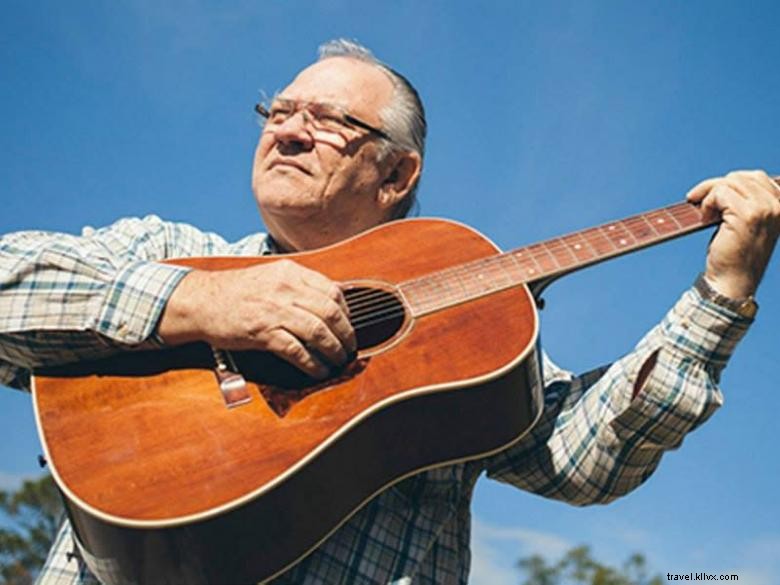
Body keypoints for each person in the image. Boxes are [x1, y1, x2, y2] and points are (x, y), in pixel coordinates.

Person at [1, 39, 778, 585]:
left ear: (397, 173)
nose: (288, 129)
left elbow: (584, 460)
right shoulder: (171, 248)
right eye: (278, 109)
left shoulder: (473, 335)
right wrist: (202, 300)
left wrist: (722, 293)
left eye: (328, 119)